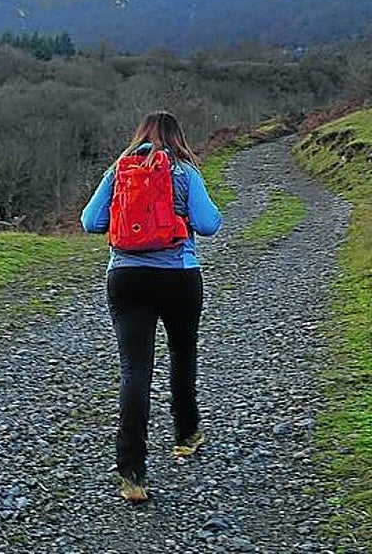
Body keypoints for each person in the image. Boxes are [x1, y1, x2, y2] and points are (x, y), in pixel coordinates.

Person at [80, 111, 222, 504]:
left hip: (126, 277)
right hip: (179, 275)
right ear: (178, 137)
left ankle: (132, 473)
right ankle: (186, 435)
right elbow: (209, 225)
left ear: (140, 134)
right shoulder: (185, 173)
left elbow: (89, 221)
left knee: (134, 370)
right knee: (182, 352)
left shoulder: (119, 170)